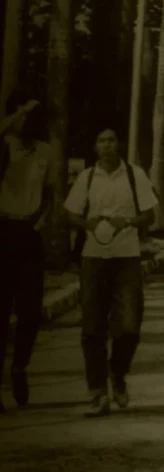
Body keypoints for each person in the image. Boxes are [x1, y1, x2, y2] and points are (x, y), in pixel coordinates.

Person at [65, 125, 157, 417]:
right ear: (95, 147)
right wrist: (87, 224)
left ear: (119, 144)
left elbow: (149, 214)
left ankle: (117, 375)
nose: (106, 145)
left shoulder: (135, 175)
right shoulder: (87, 177)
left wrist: (127, 222)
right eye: (101, 141)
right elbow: (70, 212)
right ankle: (97, 392)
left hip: (126, 258)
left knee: (129, 326)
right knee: (92, 328)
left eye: (111, 140)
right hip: (93, 258)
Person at [0, 93, 55, 413]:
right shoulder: (4, 147)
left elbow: (50, 192)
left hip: (29, 233)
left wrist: (44, 219)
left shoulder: (45, 152)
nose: (28, 122)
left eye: (33, 116)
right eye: (23, 116)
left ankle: (20, 367)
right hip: (3, 231)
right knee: (1, 309)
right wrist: (17, 112)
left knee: (30, 310)